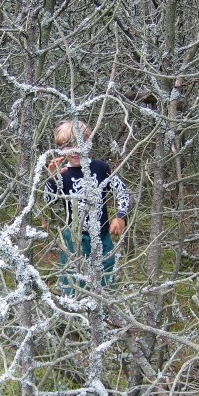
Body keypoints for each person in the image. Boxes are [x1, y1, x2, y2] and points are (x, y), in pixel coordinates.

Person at [43, 119, 130, 297]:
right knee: (72, 280)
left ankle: (105, 316)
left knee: (106, 279)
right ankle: (69, 318)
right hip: (73, 238)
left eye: (80, 142)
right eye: (68, 145)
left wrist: (121, 215)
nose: (75, 149)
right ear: (60, 148)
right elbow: (47, 202)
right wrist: (52, 178)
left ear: (88, 142)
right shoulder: (62, 173)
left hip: (102, 235)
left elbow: (122, 192)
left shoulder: (100, 168)